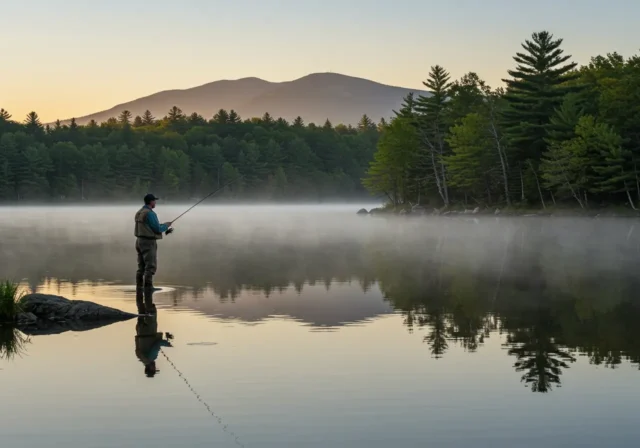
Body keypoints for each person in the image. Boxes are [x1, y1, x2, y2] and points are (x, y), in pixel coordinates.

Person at [134, 193, 173, 315]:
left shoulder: (139, 212)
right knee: (150, 266)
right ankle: (148, 289)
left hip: (139, 241)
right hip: (148, 242)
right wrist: (166, 225)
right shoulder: (150, 213)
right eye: (154, 201)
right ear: (150, 202)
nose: (155, 203)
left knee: (141, 267)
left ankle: (139, 289)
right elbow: (157, 228)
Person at [135, 314, 173, 378]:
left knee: (151, 312)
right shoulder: (141, 357)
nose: (155, 367)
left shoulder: (151, 358)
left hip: (149, 330)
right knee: (141, 312)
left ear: (150, 368)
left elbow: (158, 344)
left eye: (154, 369)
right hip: (140, 330)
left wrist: (168, 344)